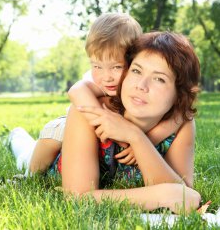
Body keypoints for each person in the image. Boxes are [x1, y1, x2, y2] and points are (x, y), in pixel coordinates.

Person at [9, 13, 184, 176]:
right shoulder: (99, 83)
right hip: (74, 122)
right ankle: (26, 168)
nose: (106, 77)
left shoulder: (136, 81)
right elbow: (77, 91)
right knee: (35, 155)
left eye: (116, 67)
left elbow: (180, 116)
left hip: (109, 128)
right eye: (96, 66)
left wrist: (149, 140)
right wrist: (105, 122)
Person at [58, 31, 202, 214]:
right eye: (136, 70)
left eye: (159, 78)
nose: (141, 85)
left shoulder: (181, 124)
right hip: (58, 151)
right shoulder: (91, 112)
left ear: (179, 94)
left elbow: (185, 197)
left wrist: (135, 137)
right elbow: (76, 198)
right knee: (29, 154)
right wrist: (160, 196)